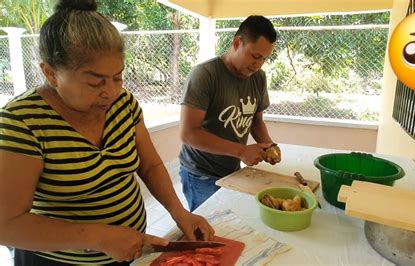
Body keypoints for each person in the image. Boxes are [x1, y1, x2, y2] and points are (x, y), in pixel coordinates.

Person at [0, 0, 214, 265]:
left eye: (117, 77)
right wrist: (98, 237)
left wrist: (179, 212)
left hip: (127, 254)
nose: (111, 92)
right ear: (50, 73)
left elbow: (150, 165)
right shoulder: (22, 122)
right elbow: (7, 225)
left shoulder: (124, 104)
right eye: (94, 82)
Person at [179, 15, 281, 211]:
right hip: (200, 173)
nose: (258, 64)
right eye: (255, 56)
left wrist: (269, 145)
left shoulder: (258, 78)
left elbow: (256, 121)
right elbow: (189, 133)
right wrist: (242, 151)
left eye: (264, 58)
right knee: (212, 231)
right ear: (237, 43)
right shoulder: (205, 75)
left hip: (232, 170)